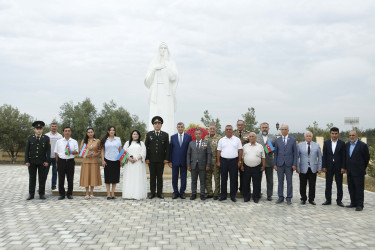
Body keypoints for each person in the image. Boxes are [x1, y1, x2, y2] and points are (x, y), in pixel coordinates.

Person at [144, 42, 179, 136]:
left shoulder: (170, 63)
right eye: (161, 48)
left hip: (167, 93)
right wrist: (155, 69)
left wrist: (166, 66)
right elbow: (147, 81)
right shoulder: (153, 63)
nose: (163, 50)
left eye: (165, 48)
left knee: (167, 115)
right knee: (155, 113)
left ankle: (167, 136)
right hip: (156, 91)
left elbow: (173, 78)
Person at [344, 130, 370, 211]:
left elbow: (366, 158)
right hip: (350, 171)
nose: (351, 137)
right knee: (351, 188)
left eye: (353, 135)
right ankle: (353, 203)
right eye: (350, 135)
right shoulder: (347, 145)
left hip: (359, 171)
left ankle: (360, 205)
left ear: (357, 136)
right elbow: (346, 157)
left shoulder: (362, 145)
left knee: (359, 189)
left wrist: (362, 167)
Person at [25, 121, 51, 200]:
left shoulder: (46, 138)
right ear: (34, 130)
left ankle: (41, 193)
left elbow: (48, 151)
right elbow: (27, 150)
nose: (39, 130)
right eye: (37, 129)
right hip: (32, 161)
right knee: (32, 178)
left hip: (42, 162)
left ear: (42, 130)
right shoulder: (30, 138)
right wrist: (27, 161)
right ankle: (31, 194)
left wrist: (47, 161)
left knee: (42, 178)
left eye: (40, 129)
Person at [145, 116, 170, 199]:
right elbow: (146, 147)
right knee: (152, 177)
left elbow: (167, 148)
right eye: (155, 124)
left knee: (160, 177)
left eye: (159, 123)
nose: (157, 125)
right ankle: (152, 193)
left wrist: (166, 158)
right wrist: (146, 158)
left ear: (161, 125)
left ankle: (159, 193)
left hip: (161, 160)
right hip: (151, 160)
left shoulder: (165, 135)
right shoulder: (149, 134)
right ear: (153, 125)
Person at [217, 125, 243, 202]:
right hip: (224, 161)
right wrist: (218, 161)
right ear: (225, 131)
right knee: (223, 179)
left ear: (232, 131)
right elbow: (218, 151)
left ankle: (233, 196)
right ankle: (223, 195)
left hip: (234, 161)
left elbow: (240, 151)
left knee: (233, 179)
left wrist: (239, 161)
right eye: (227, 129)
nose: (228, 130)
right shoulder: (221, 140)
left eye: (230, 129)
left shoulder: (237, 140)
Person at [322, 127, 346, 207]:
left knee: (339, 184)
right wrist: (324, 166)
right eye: (333, 133)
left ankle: (339, 201)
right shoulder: (326, 143)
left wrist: (343, 167)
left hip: (339, 167)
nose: (334, 135)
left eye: (336, 133)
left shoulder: (342, 143)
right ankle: (328, 200)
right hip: (328, 167)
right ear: (330, 134)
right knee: (328, 184)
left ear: (338, 134)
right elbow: (324, 155)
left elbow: (344, 156)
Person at [274, 124, 297, 205]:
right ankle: (280, 197)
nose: (284, 130)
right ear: (280, 130)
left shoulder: (293, 140)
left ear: (288, 130)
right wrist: (275, 164)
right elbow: (276, 153)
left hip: (289, 164)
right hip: (280, 164)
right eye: (282, 129)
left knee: (289, 182)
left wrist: (294, 164)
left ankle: (289, 198)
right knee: (280, 181)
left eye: (285, 129)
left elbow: (295, 153)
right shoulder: (277, 140)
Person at [296, 131, 322, 205]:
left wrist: (319, 168)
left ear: (312, 137)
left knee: (312, 185)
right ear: (304, 137)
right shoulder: (300, 145)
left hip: (313, 168)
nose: (308, 137)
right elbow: (297, 157)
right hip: (303, 168)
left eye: (310, 136)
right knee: (302, 185)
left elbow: (320, 157)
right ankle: (303, 198)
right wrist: (298, 167)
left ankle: (311, 199)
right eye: (307, 136)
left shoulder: (316, 145)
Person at [186, 128, 212, 200]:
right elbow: (188, 154)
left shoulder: (205, 143)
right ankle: (193, 194)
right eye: (196, 134)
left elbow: (209, 154)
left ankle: (202, 194)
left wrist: (208, 164)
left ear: (201, 135)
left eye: (199, 134)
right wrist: (188, 165)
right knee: (193, 181)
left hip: (203, 166)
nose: (198, 135)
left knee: (202, 181)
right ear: (194, 135)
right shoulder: (191, 143)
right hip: (193, 165)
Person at [169, 122, 192, 199]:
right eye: (179, 127)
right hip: (175, 161)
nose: (180, 128)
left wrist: (189, 162)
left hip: (184, 161)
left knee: (183, 178)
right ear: (177, 128)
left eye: (182, 127)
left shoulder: (189, 137)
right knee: (174, 178)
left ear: (184, 127)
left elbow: (190, 150)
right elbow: (170, 150)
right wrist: (170, 161)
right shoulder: (173, 137)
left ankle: (182, 192)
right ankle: (175, 192)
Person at [55, 126, 79, 200]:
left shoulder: (74, 141)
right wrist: (57, 162)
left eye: (69, 131)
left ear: (71, 132)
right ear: (63, 132)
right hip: (61, 161)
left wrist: (70, 152)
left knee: (70, 178)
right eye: (66, 131)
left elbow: (77, 152)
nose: (67, 132)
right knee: (61, 178)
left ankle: (69, 193)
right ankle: (61, 194)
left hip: (70, 161)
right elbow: (56, 152)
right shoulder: (59, 141)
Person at [122, 130, 147, 200]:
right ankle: (129, 194)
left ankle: (137, 194)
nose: (135, 135)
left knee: (137, 178)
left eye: (136, 134)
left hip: (138, 163)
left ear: (139, 136)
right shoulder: (127, 143)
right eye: (134, 134)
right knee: (130, 178)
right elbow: (123, 153)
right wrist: (129, 159)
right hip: (129, 164)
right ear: (131, 135)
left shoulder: (141, 143)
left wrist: (136, 158)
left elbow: (143, 153)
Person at [241, 132, 265, 203]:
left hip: (257, 167)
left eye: (253, 136)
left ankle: (256, 197)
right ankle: (246, 197)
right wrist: (242, 165)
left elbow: (263, 157)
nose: (251, 138)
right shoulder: (245, 146)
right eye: (250, 136)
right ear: (248, 138)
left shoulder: (260, 146)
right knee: (246, 183)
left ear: (256, 137)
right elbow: (242, 157)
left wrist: (263, 166)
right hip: (246, 167)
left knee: (257, 183)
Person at [79, 128, 102, 199]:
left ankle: (91, 192)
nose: (90, 133)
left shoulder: (97, 141)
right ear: (86, 133)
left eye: (91, 132)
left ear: (94, 133)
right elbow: (81, 151)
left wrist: (96, 154)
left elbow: (99, 150)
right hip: (86, 161)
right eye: (88, 132)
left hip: (94, 161)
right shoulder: (84, 141)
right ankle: (86, 193)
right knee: (86, 177)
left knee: (93, 177)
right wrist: (86, 155)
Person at [256, 122, 276, 201]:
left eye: (266, 127)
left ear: (268, 128)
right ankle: (257, 194)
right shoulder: (257, 137)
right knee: (258, 179)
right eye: (263, 127)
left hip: (269, 161)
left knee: (270, 180)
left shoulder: (273, 137)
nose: (264, 129)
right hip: (258, 161)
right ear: (261, 128)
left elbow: (276, 148)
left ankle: (269, 195)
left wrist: (270, 149)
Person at [101, 126, 122, 200]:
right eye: (110, 130)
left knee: (115, 177)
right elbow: (102, 151)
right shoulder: (105, 140)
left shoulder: (118, 139)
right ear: (108, 131)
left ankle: (113, 192)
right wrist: (103, 160)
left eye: (113, 130)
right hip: (107, 160)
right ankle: (108, 193)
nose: (112, 131)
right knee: (108, 177)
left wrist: (121, 160)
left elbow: (120, 150)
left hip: (116, 160)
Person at [204, 124, 222, 200]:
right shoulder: (205, 138)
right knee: (207, 177)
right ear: (208, 129)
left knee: (217, 177)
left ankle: (216, 193)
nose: (212, 130)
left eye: (213, 128)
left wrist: (219, 161)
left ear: (215, 129)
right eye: (210, 128)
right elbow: (203, 148)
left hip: (216, 160)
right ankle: (209, 193)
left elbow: (221, 150)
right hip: (207, 161)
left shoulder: (220, 138)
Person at [233, 120, 249, 194]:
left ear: (244, 125)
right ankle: (235, 189)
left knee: (243, 174)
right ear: (236, 125)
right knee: (234, 174)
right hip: (235, 156)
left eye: (241, 125)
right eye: (238, 125)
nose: (240, 126)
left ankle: (242, 189)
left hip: (245, 157)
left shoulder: (248, 133)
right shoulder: (233, 133)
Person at [45, 122, 62, 190]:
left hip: (56, 157)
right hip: (47, 157)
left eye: (55, 126)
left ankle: (53, 186)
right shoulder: (46, 135)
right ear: (50, 127)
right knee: (45, 172)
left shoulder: (60, 136)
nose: (54, 127)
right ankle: (42, 185)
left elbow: (61, 147)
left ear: (57, 127)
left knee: (55, 172)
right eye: (52, 126)